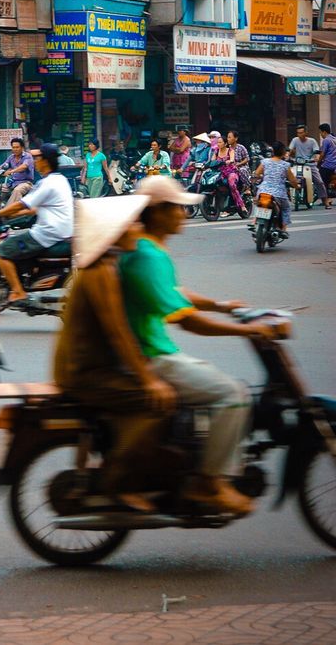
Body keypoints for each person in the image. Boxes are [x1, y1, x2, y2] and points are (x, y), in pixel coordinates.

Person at [118, 175, 290, 516]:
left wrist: (223, 305)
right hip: (149, 356)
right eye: (177, 208)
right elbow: (187, 320)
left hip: (151, 350)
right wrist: (248, 332)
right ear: (158, 213)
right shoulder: (147, 255)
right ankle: (207, 483)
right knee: (232, 395)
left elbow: (175, 294)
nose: (183, 214)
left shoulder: (147, 249)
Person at [54, 194, 176, 513]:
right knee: (159, 403)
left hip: (92, 367)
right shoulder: (100, 272)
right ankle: (118, 481)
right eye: (132, 224)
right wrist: (148, 379)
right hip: (85, 373)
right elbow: (117, 332)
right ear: (116, 231)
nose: (138, 228)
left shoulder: (108, 264)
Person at [0, 143, 73, 302]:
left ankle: (18, 291)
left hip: (46, 234)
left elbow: (22, 204)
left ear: (45, 161)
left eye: (37, 158)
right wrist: (8, 216)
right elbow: (32, 209)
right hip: (60, 232)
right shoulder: (60, 180)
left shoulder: (47, 183)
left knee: (2, 251)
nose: (35, 161)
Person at [251, 141, 298, 235]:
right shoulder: (285, 165)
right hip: (279, 194)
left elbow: (256, 174)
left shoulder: (265, 162)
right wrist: (297, 186)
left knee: (259, 203)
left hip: (263, 191)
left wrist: (256, 179)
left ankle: (254, 221)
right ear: (283, 152)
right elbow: (293, 180)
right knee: (286, 208)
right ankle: (283, 229)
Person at [288, 124, 331, 210]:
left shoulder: (312, 141)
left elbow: (317, 152)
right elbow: (289, 150)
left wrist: (316, 158)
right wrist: (288, 155)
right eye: (298, 133)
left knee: (319, 182)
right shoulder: (295, 140)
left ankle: (325, 202)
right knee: (289, 179)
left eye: (301, 133)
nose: (299, 135)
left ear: (306, 133)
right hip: (298, 164)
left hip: (310, 165)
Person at [215, 130, 250, 217]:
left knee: (241, 171)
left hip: (240, 166)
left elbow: (246, 159)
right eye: (227, 137)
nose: (228, 139)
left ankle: (247, 187)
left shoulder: (240, 147)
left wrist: (237, 164)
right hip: (225, 169)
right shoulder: (220, 150)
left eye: (230, 137)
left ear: (236, 138)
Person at [0, 137, 35, 206]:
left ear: (22, 148)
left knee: (17, 190)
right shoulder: (11, 157)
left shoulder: (27, 156)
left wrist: (11, 171)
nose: (15, 149)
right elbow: (3, 166)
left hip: (26, 183)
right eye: (13, 147)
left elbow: (24, 166)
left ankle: (8, 213)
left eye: (17, 147)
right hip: (13, 183)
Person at [318, 123, 336, 196]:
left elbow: (322, 154)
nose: (320, 134)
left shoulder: (326, 140)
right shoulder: (334, 139)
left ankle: (325, 199)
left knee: (321, 181)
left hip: (328, 165)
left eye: (320, 132)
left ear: (324, 132)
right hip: (334, 165)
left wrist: (318, 162)